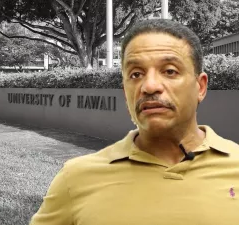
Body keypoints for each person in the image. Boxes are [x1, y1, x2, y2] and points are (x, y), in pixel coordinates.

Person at [29, 19, 239, 225]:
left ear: (200, 87)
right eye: (136, 74)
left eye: (170, 71)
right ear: (125, 92)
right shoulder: (75, 178)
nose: (149, 86)